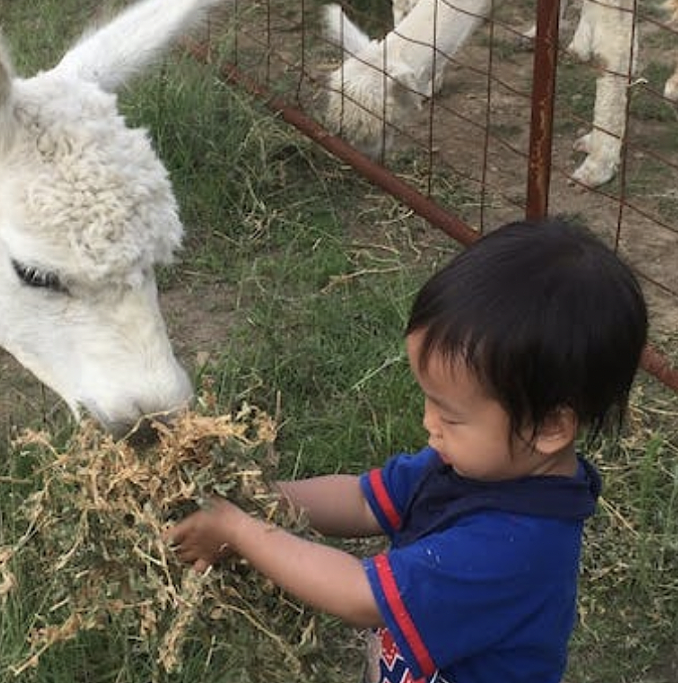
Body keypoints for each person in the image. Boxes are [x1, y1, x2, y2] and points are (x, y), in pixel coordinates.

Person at [168, 217, 648, 683]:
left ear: (548, 427)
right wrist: (259, 496)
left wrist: (240, 530)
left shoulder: (515, 546)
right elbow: (361, 500)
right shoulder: (467, 467)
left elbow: (360, 595)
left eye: (450, 414)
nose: (427, 423)